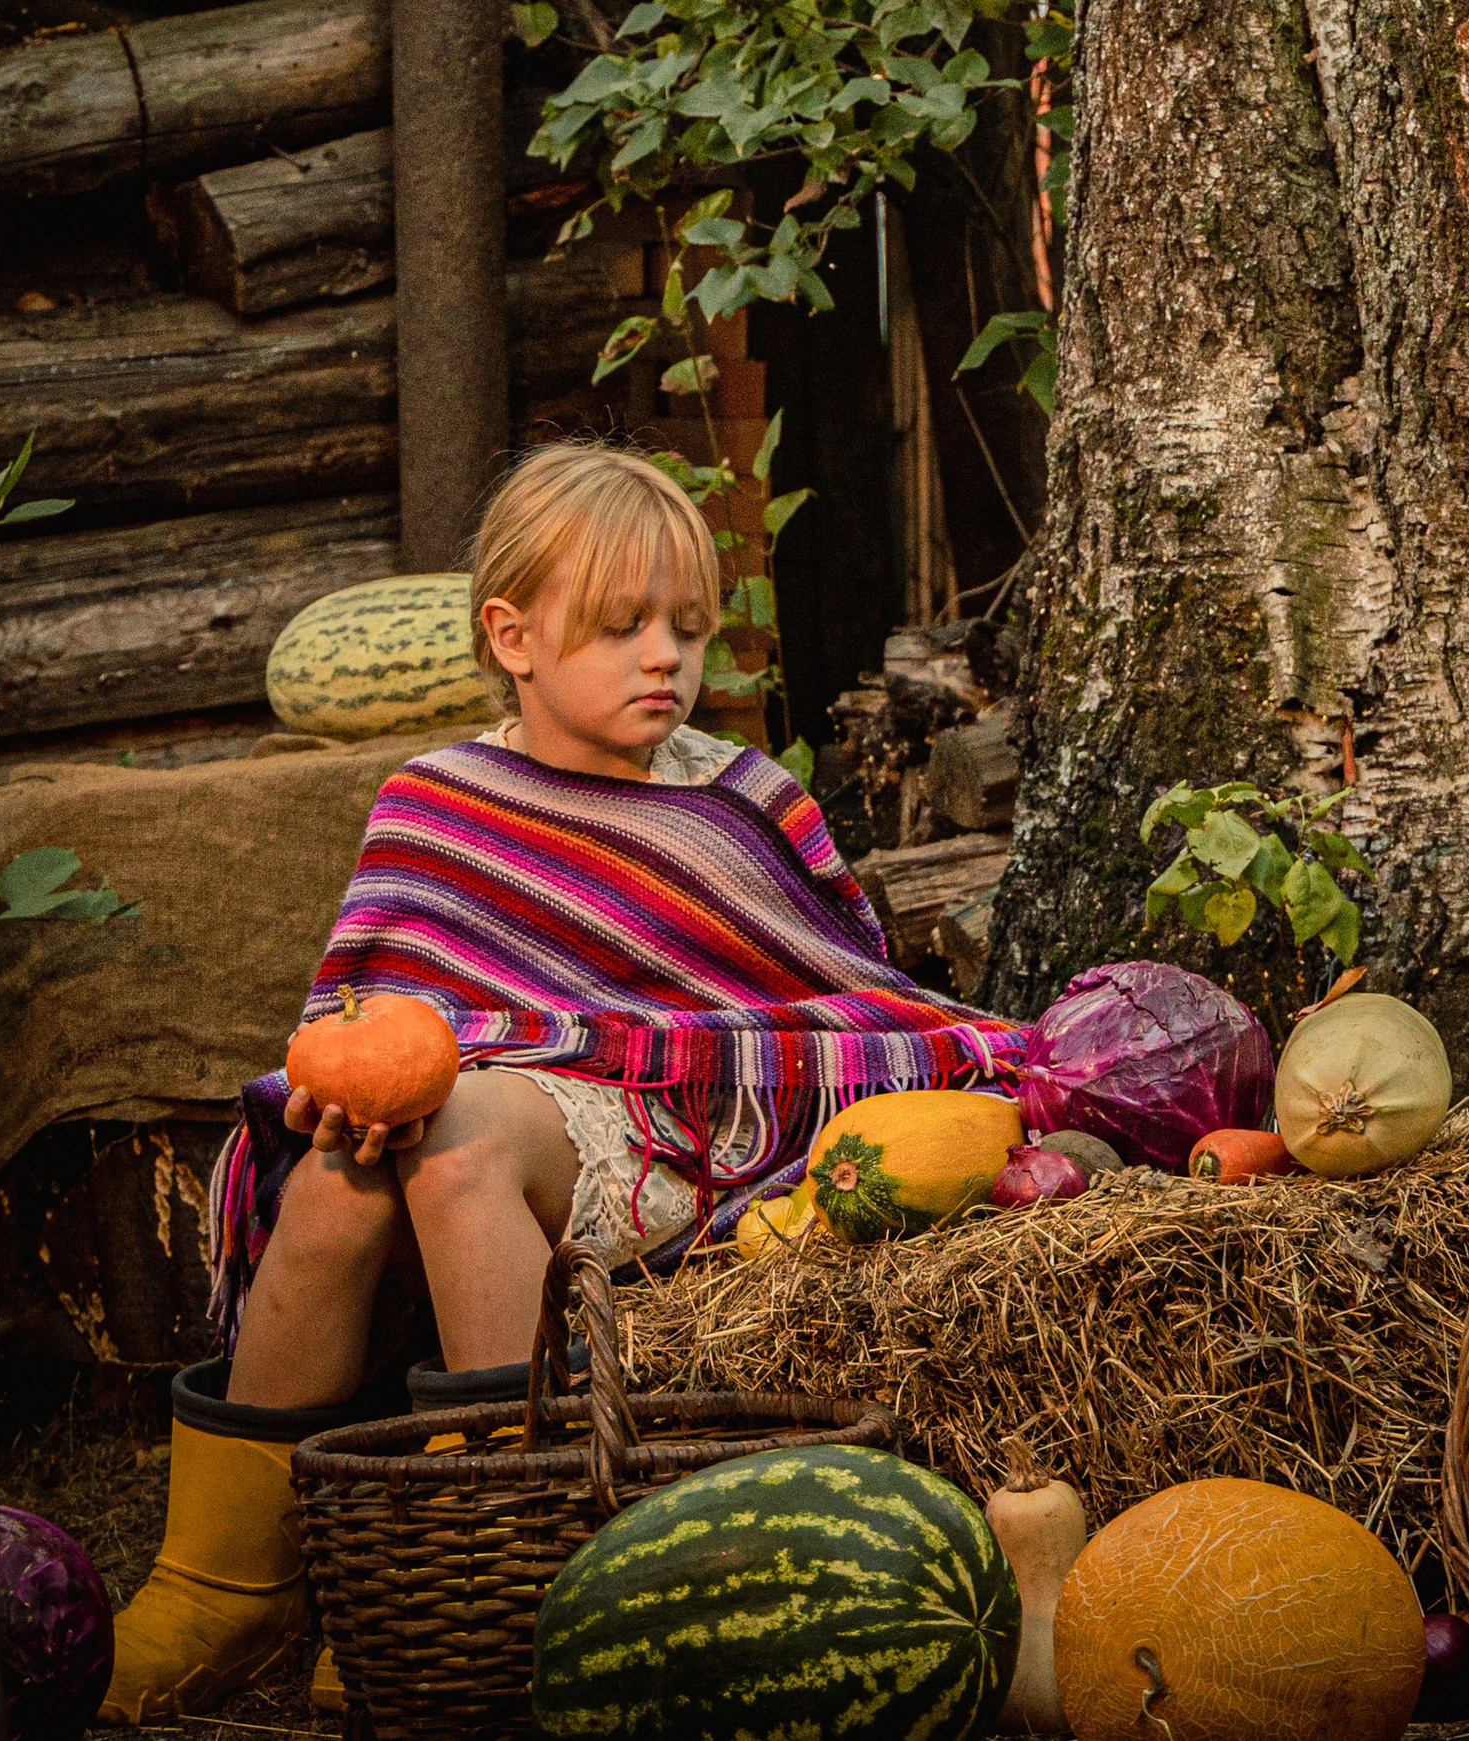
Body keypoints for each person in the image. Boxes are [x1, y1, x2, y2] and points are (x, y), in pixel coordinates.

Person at [100, 442, 1022, 1722]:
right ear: (513, 636)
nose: (664, 658)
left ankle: (490, 1558)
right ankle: (226, 1585)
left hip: (686, 1129)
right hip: (489, 1103)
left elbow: (826, 997)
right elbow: (371, 1008)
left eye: (686, 628)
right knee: (331, 1182)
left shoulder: (743, 800)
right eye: (621, 626)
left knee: (457, 1140)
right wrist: (338, 1094)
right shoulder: (438, 802)